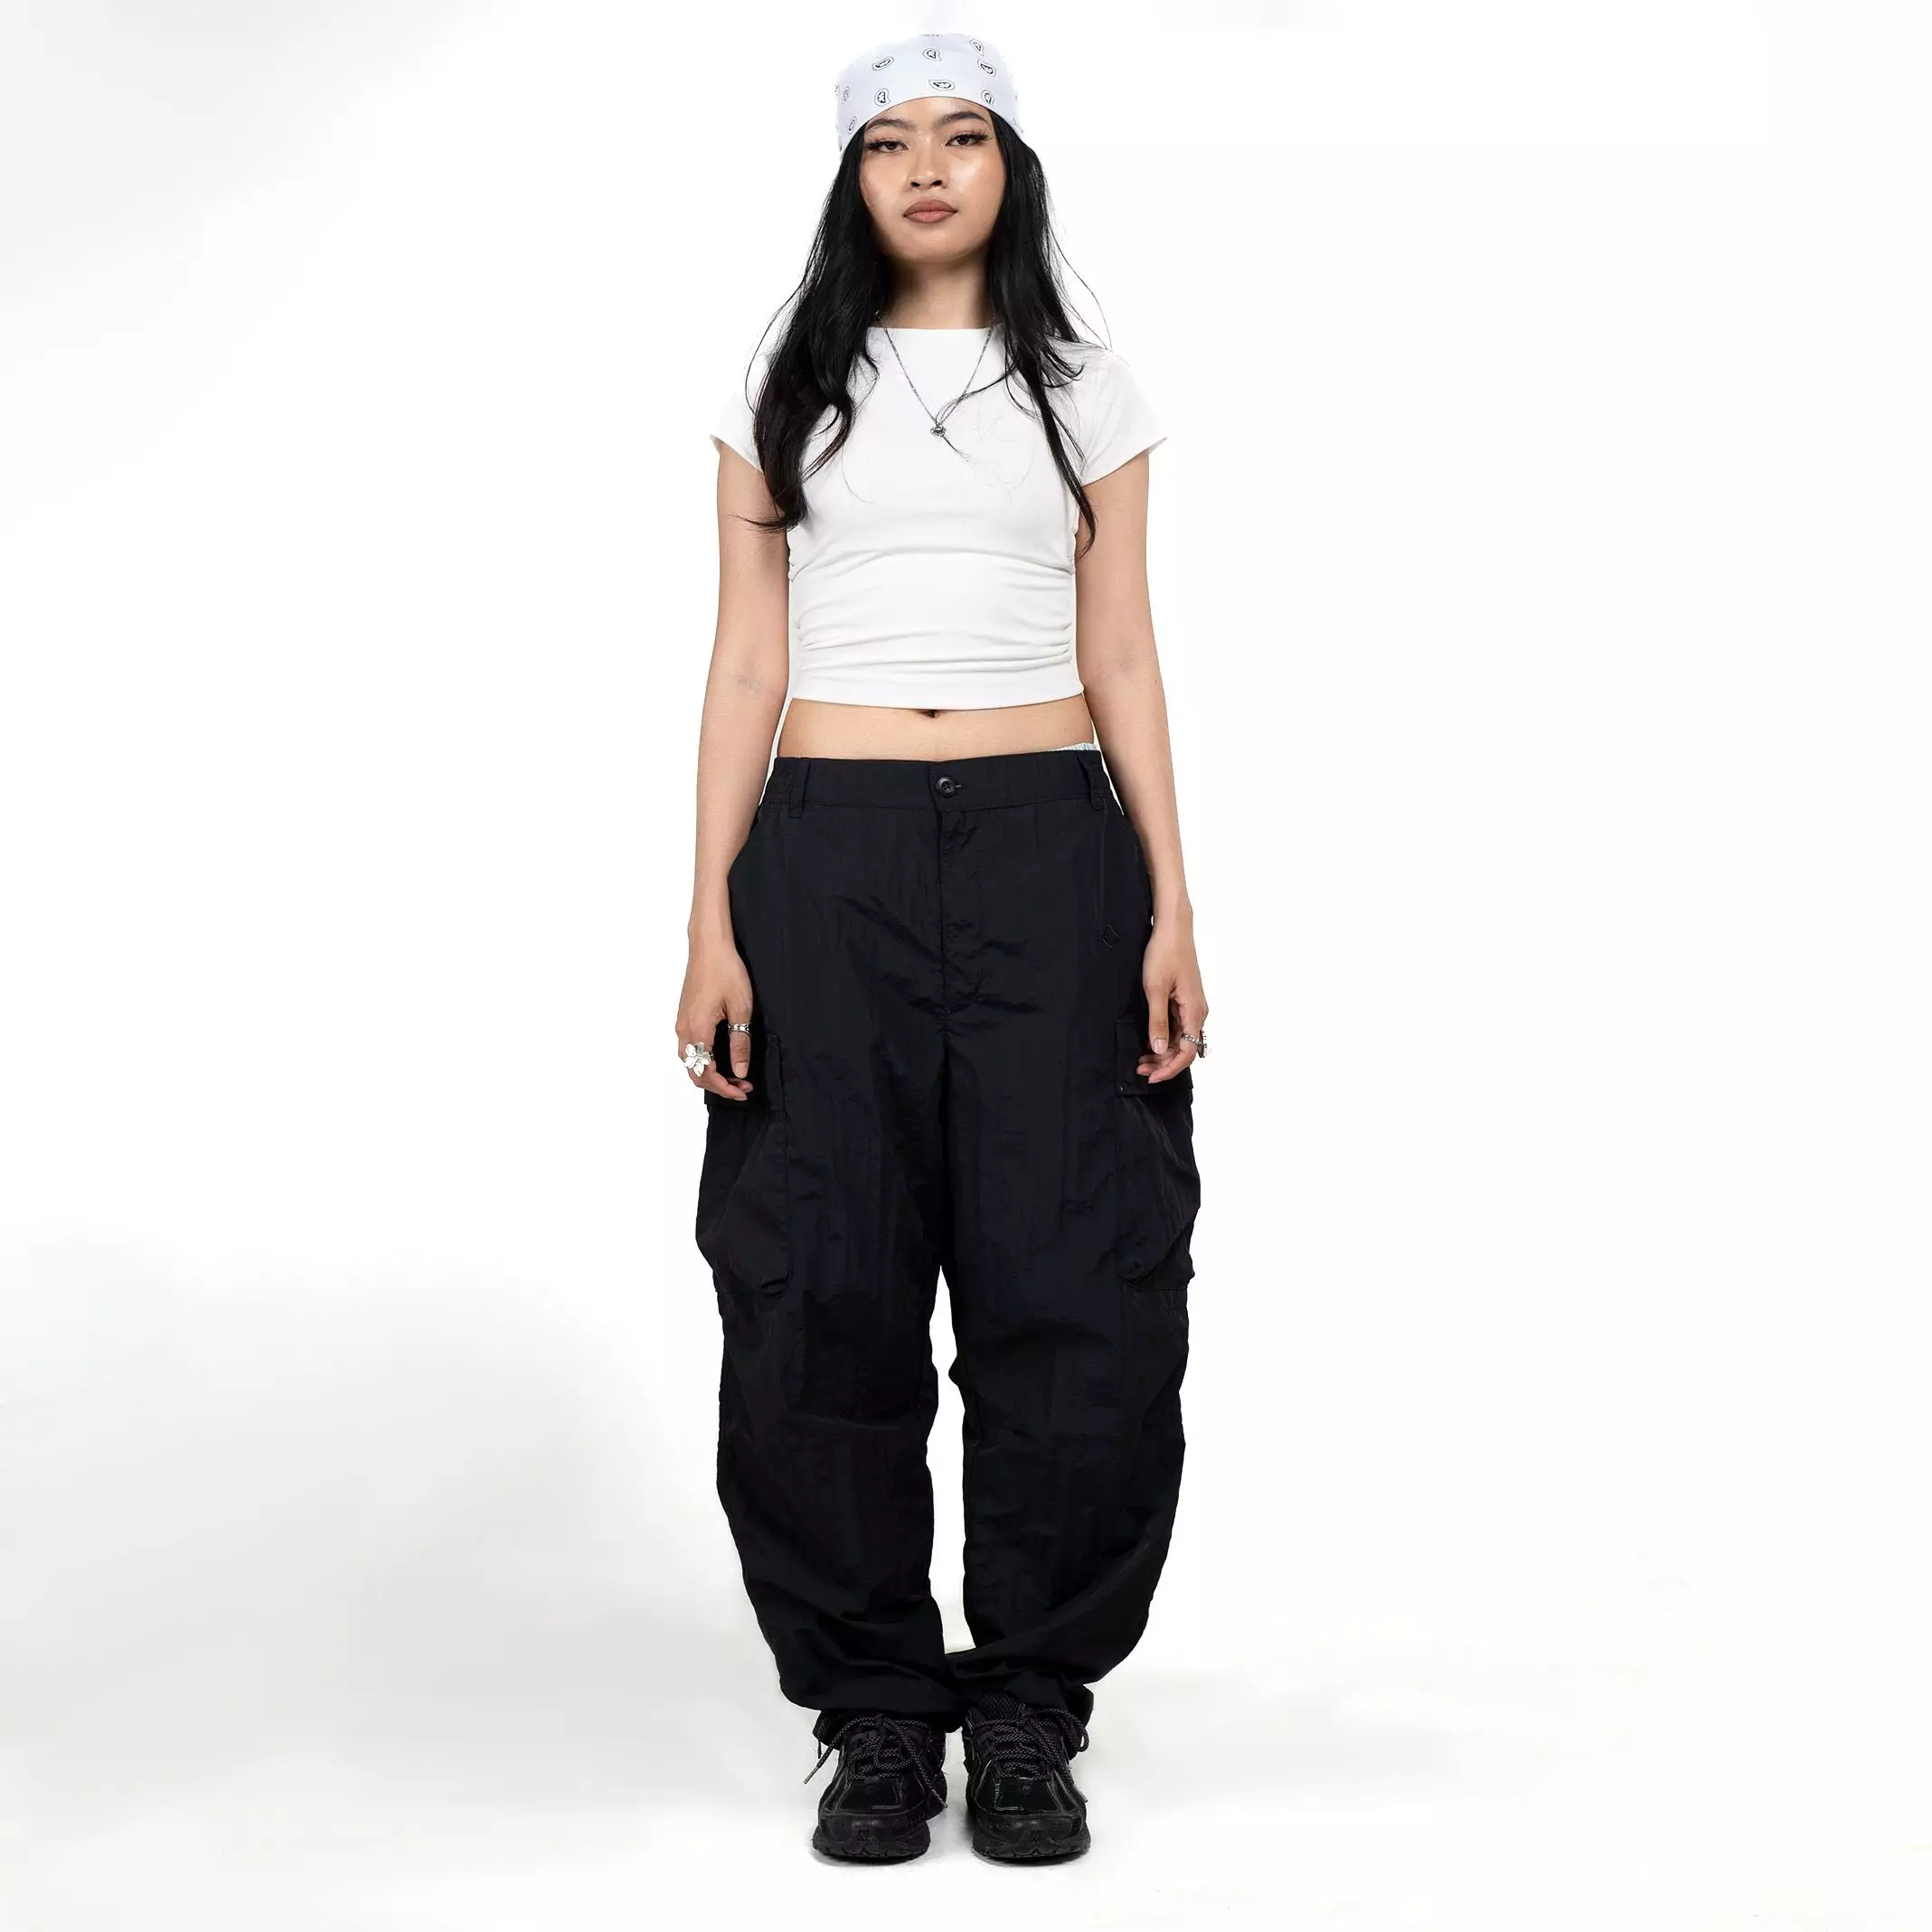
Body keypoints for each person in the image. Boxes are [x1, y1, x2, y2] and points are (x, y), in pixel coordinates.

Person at [681, 29, 1206, 1865]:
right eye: (890, 142)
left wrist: (1172, 900)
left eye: (962, 135)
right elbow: (746, 659)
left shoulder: (1083, 384)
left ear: (1008, 166)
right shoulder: (787, 378)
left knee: (1080, 1272)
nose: (926, 168)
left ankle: (1032, 1700)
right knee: (816, 1272)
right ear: (851, 176)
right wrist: (708, 918)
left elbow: (1122, 645)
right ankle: (881, 1711)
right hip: (826, 852)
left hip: (1052, 845)